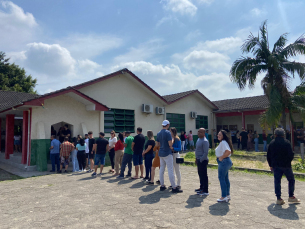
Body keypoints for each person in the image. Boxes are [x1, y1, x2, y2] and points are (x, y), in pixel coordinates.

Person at [267, 128, 300, 205]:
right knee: (291, 180)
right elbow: (291, 154)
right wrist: (288, 161)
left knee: (277, 181)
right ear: (283, 134)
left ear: (275, 135)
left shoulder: (272, 143)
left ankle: (279, 198)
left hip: (276, 165)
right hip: (286, 165)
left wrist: (270, 165)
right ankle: (291, 196)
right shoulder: (287, 143)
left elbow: (268, 155)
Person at [156, 120, 183, 193]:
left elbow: (157, 144)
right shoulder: (167, 133)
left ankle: (162, 185)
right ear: (167, 125)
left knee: (161, 170)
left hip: (161, 153)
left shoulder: (158, 133)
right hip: (167, 153)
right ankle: (174, 187)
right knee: (170, 170)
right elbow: (170, 144)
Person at [215, 130, 233, 202]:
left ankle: (223, 196)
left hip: (224, 162)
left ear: (223, 136)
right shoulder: (223, 142)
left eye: (220, 135)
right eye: (218, 134)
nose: (218, 136)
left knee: (221, 178)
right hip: (226, 161)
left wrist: (221, 157)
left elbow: (228, 151)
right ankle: (227, 194)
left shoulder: (223, 142)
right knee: (225, 178)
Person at [195, 128, 209, 196]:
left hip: (203, 160)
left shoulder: (205, 141)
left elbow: (206, 152)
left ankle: (205, 190)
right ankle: (201, 188)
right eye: (198, 132)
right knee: (200, 174)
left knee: (204, 175)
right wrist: (196, 159)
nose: (198, 133)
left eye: (200, 132)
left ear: (204, 133)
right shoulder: (198, 139)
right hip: (198, 159)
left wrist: (200, 160)